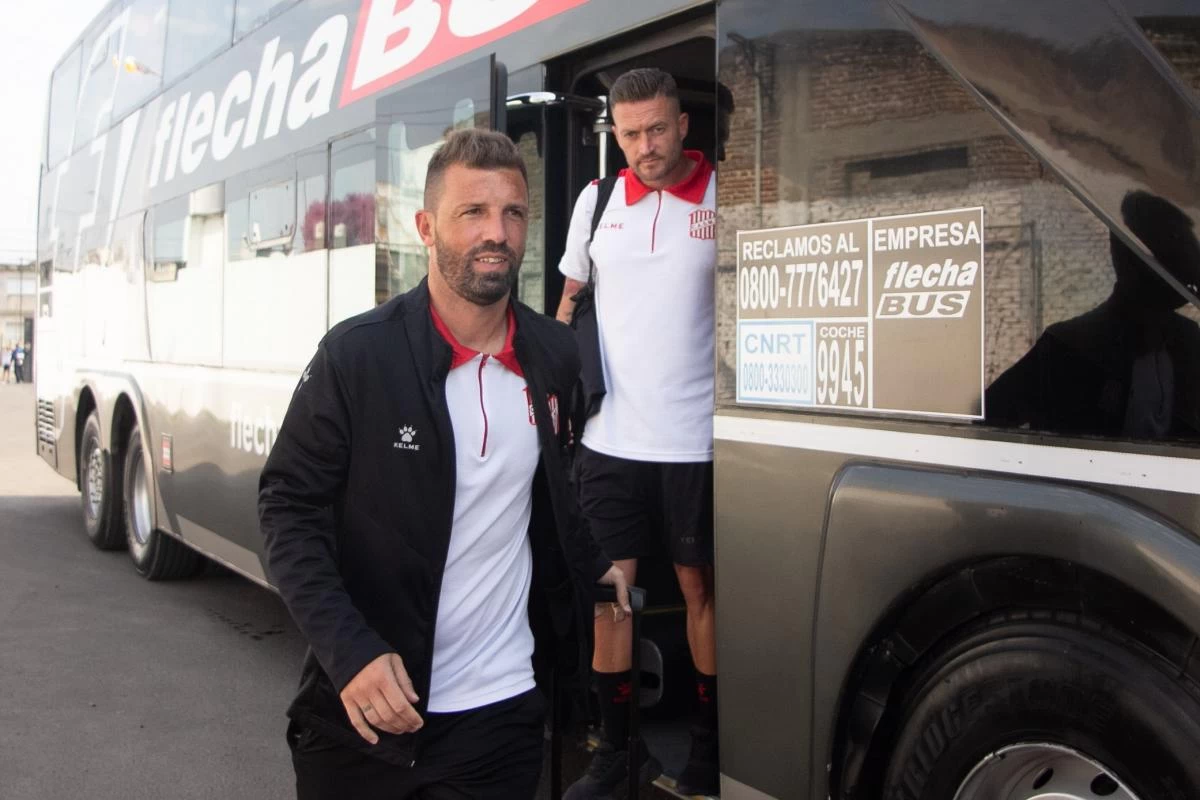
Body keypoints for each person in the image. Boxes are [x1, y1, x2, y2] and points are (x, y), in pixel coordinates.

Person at [259, 128, 629, 800]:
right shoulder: (357, 356)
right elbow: (287, 510)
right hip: (368, 717)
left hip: (502, 716)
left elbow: (551, 493)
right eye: (474, 213)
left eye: (513, 213)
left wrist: (596, 563)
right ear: (426, 227)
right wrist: (351, 653)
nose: (498, 232)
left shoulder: (552, 354)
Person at [555, 68, 720, 798]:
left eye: (657, 129)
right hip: (610, 440)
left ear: (683, 124)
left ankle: (711, 754)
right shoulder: (596, 203)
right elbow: (568, 303)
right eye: (629, 134)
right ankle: (619, 754)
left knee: (700, 596)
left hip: (697, 443)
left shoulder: (727, 196)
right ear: (614, 135)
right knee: (610, 595)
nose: (645, 147)